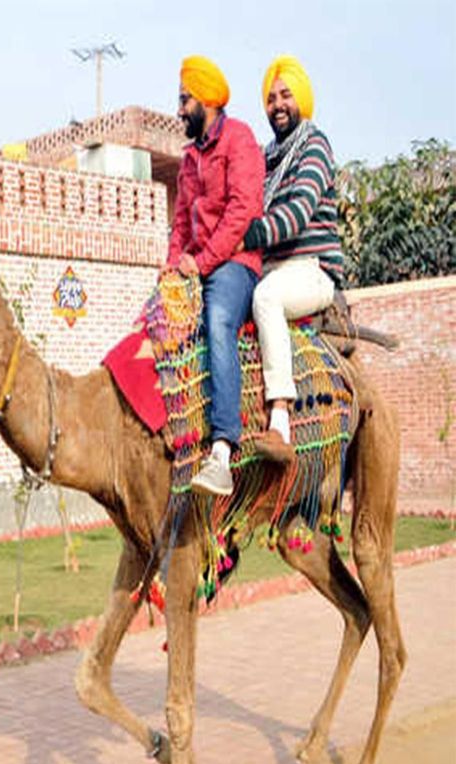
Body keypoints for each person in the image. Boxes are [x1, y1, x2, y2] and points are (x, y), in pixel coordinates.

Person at [161, 56, 266, 497]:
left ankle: (223, 447)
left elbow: (243, 211)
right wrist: (170, 269)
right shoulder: (189, 158)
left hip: (235, 267)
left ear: (206, 99)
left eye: (185, 99)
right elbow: (182, 222)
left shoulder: (239, 139)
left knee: (218, 322)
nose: (180, 109)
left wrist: (200, 264)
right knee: (155, 322)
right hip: (197, 267)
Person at [240, 56, 344, 462]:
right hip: (271, 269)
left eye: (285, 95)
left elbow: (299, 212)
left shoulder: (315, 146)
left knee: (265, 298)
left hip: (311, 270)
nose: (277, 104)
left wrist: (248, 234)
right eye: (270, 98)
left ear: (301, 97)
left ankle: (280, 419)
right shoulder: (267, 158)